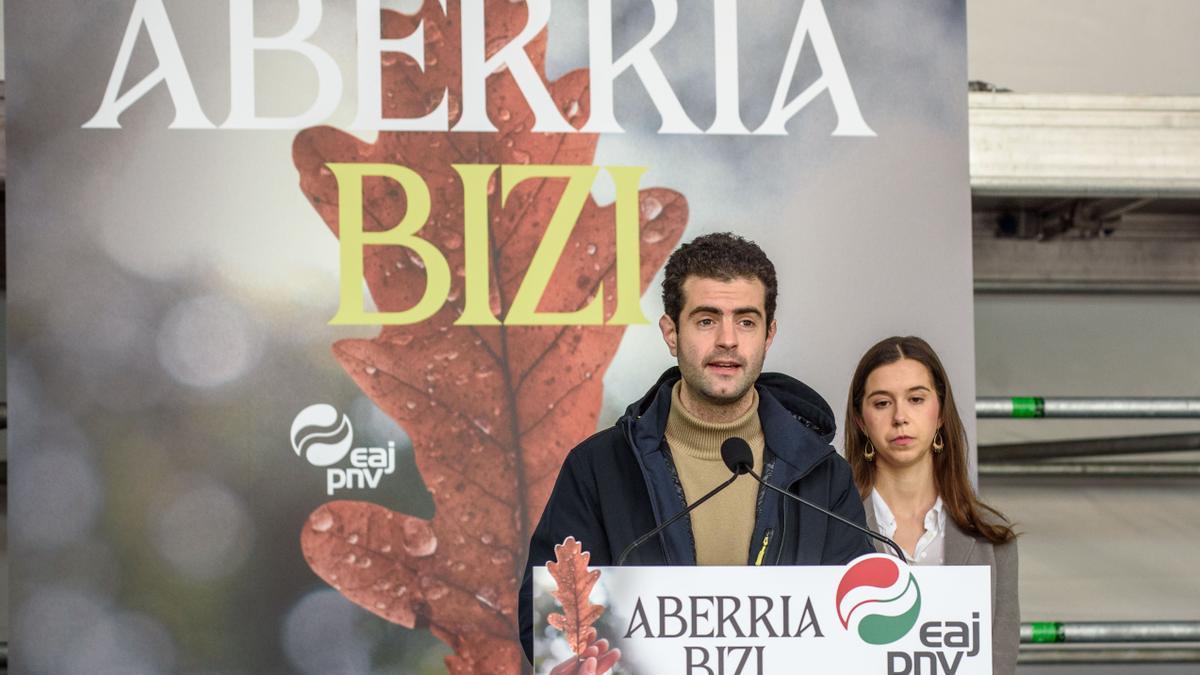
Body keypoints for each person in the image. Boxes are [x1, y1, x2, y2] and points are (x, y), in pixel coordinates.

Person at [521, 233, 873, 663]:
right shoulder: (598, 467)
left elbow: (859, 632)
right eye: (707, 320)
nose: (728, 339)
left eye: (746, 321)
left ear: (769, 335)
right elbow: (546, 617)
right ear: (671, 333)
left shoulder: (822, 475)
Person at [844, 336, 1020, 674]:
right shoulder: (829, 525)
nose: (900, 417)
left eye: (916, 399)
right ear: (860, 421)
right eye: (882, 403)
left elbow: (999, 663)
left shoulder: (992, 538)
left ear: (940, 413)